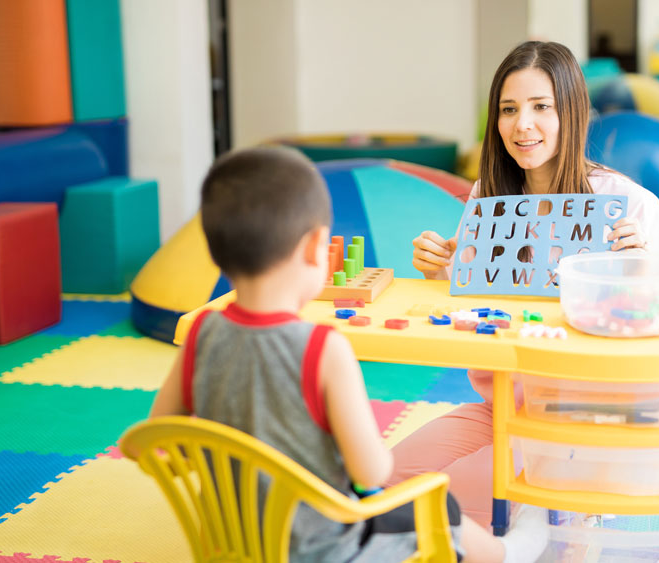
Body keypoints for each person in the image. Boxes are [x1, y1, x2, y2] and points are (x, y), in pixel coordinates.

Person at [144, 147, 548, 563]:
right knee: (442, 514)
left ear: (213, 253)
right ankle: (511, 552)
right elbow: (371, 474)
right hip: (327, 547)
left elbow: (157, 438)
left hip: (234, 536)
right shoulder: (322, 348)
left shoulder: (201, 335)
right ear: (316, 247)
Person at [398, 40, 659, 527]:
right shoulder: (489, 199)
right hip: (503, 406)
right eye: (508, 109)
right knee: (381, 485)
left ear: (572, 113)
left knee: (444, 511)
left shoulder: (628, 202)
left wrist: (644, 271)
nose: (521, 124)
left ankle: (571, 521)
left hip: (589, 423)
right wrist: (436, 268)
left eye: (540, 106)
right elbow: (472, 297)